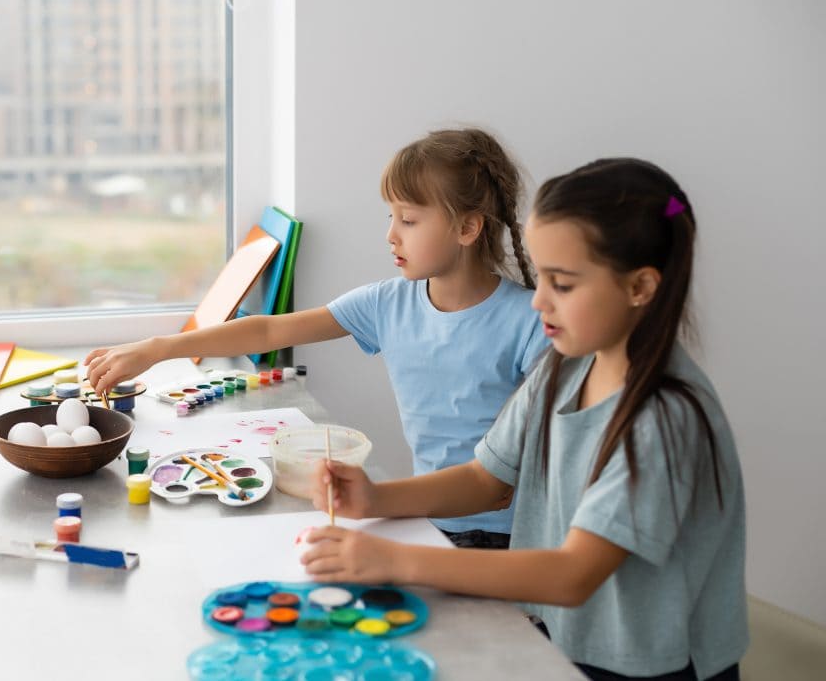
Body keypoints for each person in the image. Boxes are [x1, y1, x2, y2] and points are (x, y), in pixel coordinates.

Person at [302, 158, 747, 680]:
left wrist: (392, 561)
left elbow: (573, 574)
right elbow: (486, 478)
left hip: (655, 666)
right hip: (568, 638)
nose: (537, 301)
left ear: (640, 287)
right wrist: (377, 499)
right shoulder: (565, 365)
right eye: (541, 278)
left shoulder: (664, 420)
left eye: (562, 284)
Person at [86, 128, 548, 548]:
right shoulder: (388, 303)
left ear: (468, 228)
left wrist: (375, 500)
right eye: (390, 216)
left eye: (408, 220)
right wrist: (160, 348)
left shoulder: (531, 324)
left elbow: (499, 482)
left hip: (511, 537)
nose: (390, 235)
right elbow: (270, 328)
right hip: (427, 522)